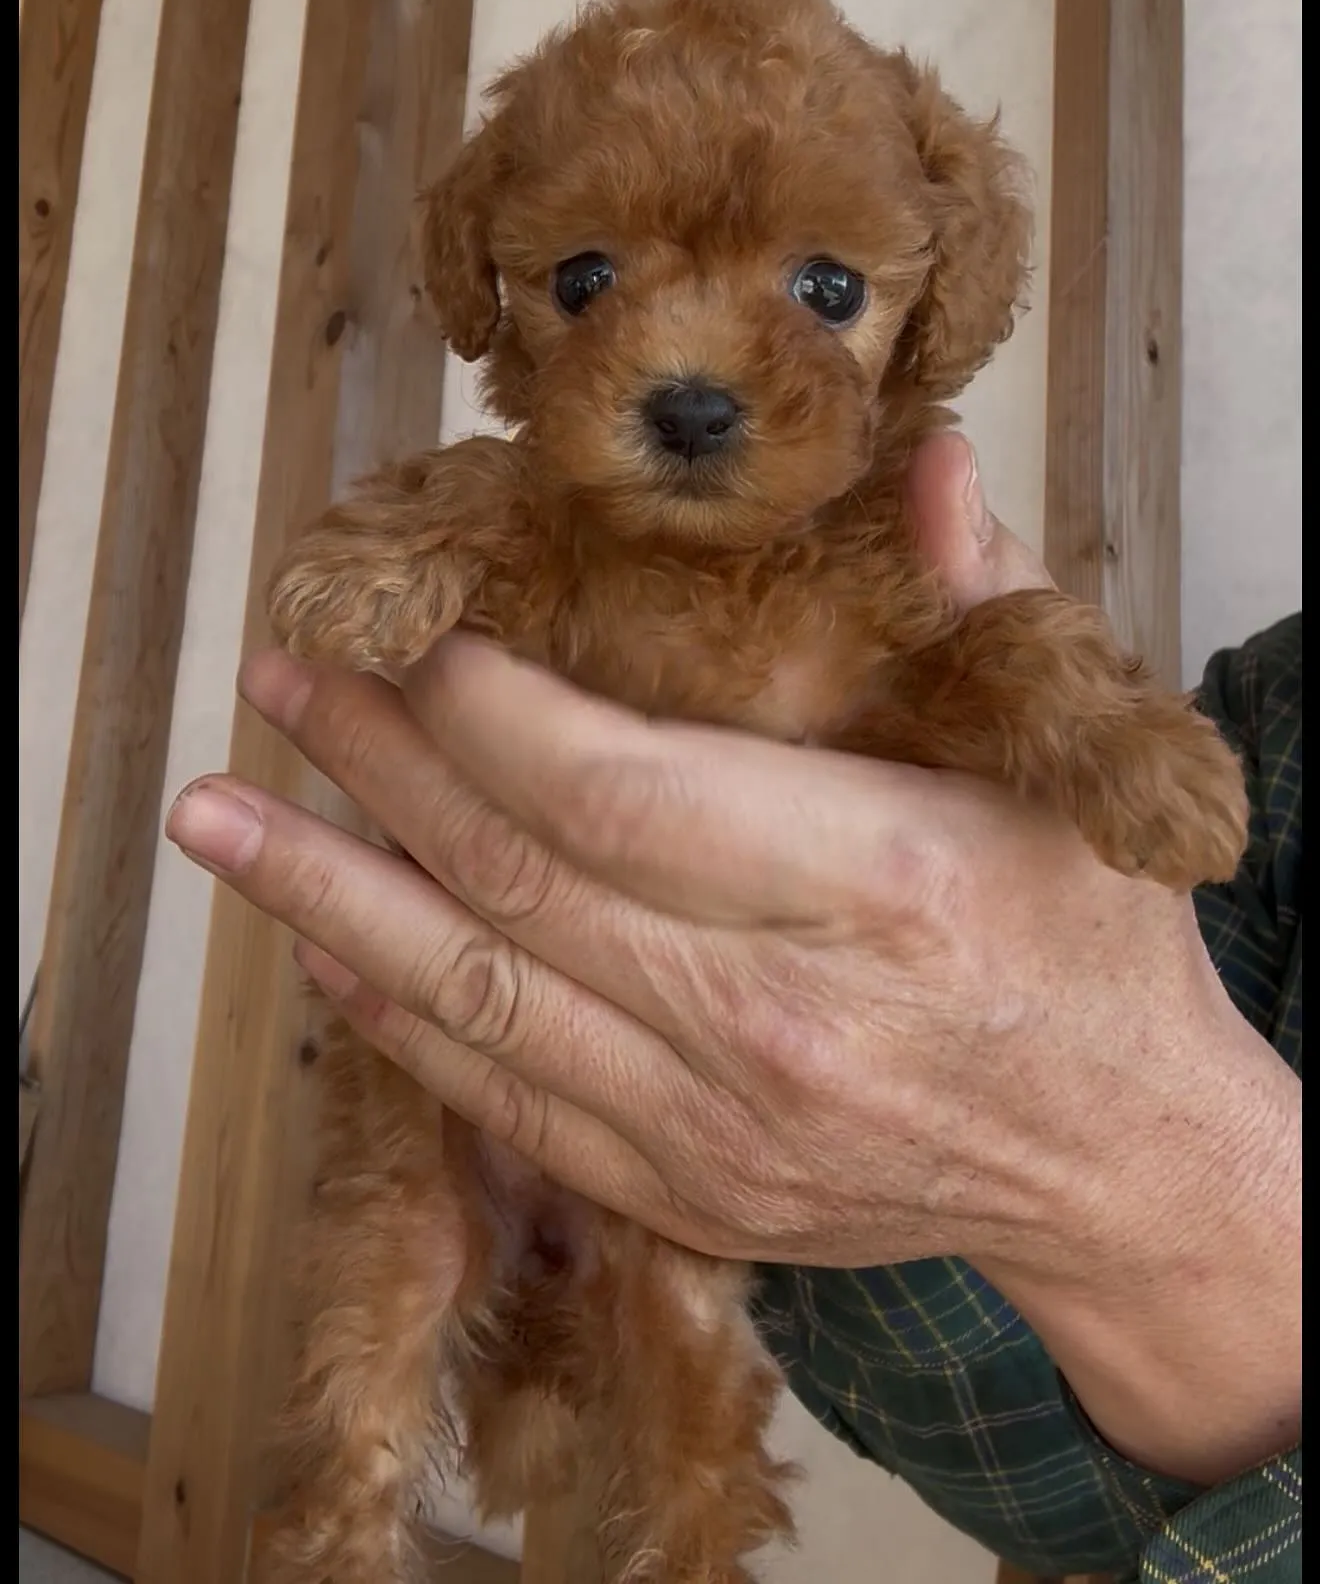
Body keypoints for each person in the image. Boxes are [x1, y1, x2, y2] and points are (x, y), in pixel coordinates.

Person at [165, 430, 1301, 1582]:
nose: (688, 366)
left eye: (824, 291)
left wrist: (1069, 702)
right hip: (490, 1100)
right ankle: (340, 1535)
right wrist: (446, 522)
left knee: (678, 1355)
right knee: (390, 1308)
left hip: (707, 1225)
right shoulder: (1272, 705)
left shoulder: (871, 575)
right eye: (587, 282)